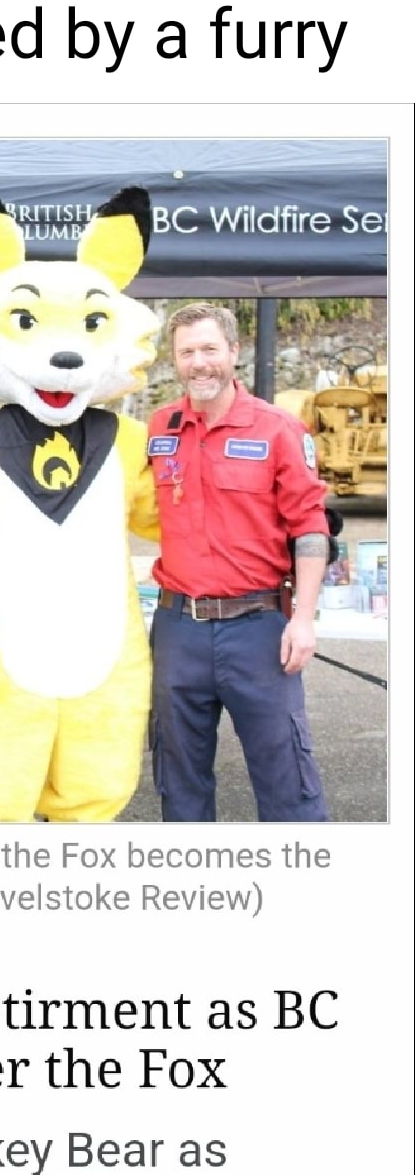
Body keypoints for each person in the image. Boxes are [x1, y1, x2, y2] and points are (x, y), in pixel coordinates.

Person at [146, 302, 330, 822]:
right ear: (174, 359)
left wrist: (304, 617)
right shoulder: (159, 428)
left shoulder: (278, 430)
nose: (199, 363)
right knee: (178, 780)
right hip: (178, 628)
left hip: (259, 629)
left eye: (209, 349)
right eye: (187, 352)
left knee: (286, 777)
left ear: (233, 351)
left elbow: (310, 526)